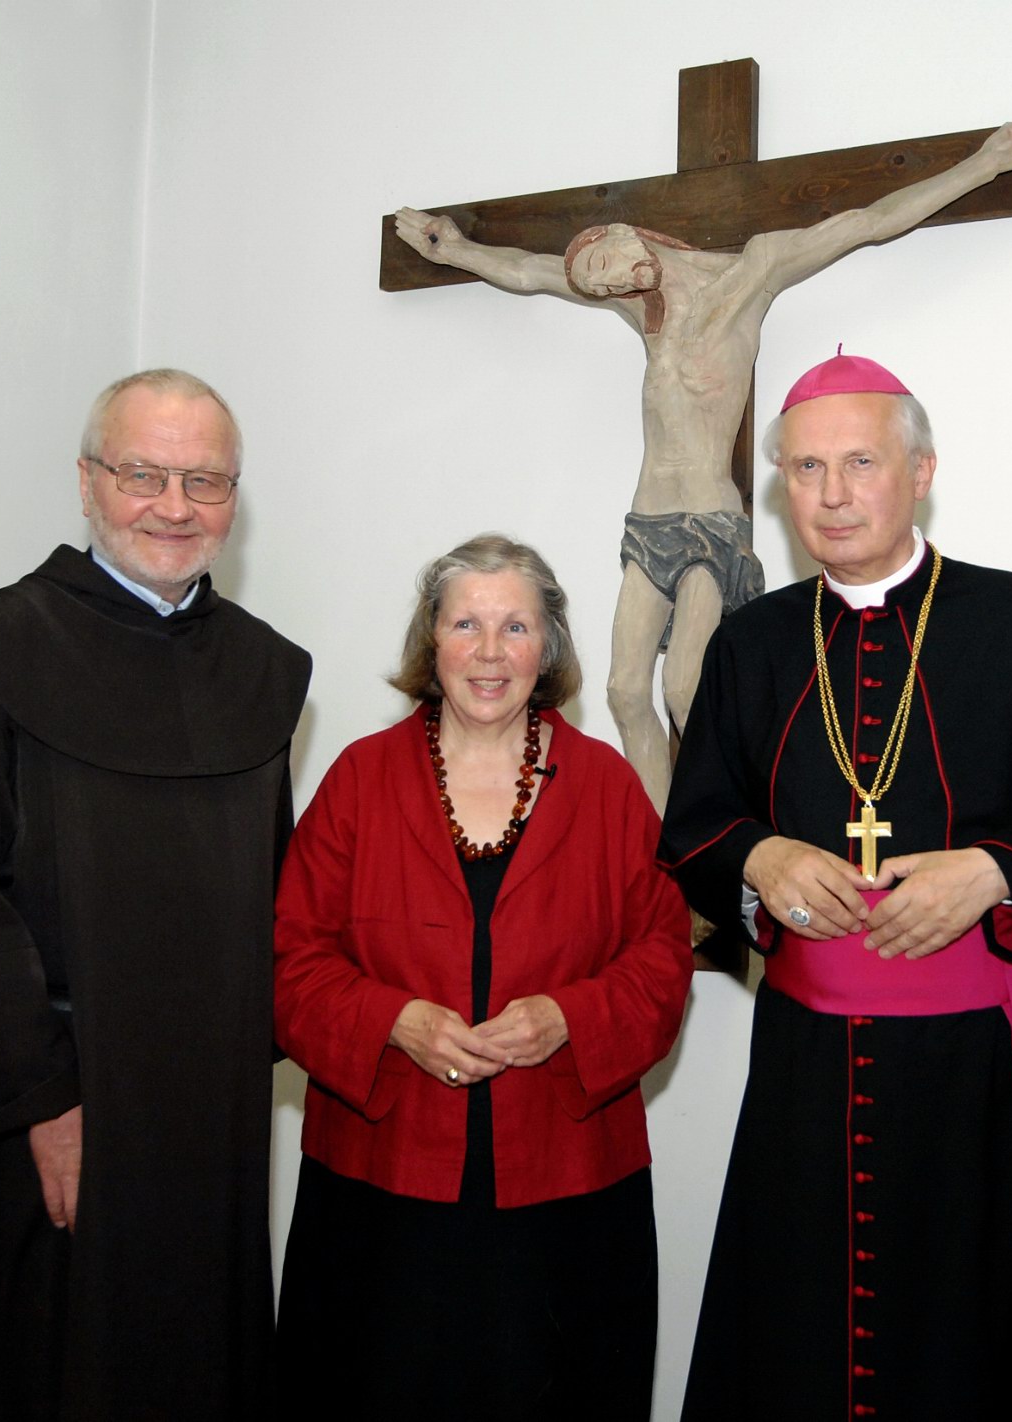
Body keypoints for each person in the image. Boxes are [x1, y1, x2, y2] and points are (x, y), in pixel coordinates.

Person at [659, 352, 1012, 1420]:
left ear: (920, 472)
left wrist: (995, 871)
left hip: (988, 1062)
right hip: (808, 1067)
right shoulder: (752, 644)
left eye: (860, 463)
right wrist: (761, 858)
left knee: (977, 1329)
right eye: (805, 469)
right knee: (799, 1324)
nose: (831, 494)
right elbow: (695, 825)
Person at [394, 102, 1012, 809]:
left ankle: (716, 831)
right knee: (624, 692)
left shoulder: (750, 274)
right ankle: (657, 847)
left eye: (603, 269)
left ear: (634, 238)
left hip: (709, 523)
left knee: (684, 688)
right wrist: (456, 249)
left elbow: (867, 222)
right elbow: (530, 272)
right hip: (648, 522)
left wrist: (987, 162)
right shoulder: (640, 306)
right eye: (597, 285)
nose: (604, 286)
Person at [0, 369, 311, 1419]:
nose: (174, 506)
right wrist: (40, 1103)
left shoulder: (260, 673)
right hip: (43, 1116)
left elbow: (271, 900)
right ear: (86, 482)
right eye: (142, 474)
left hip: (207, 1122)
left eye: (204, 481)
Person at [273, 534, 691, 1420]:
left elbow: (661, 962)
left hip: (568, 1187)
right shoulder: (357, 780)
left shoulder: (609, 787)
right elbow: (290, 962)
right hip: (382, 1183)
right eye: (466, 625)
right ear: (431, 641)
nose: (490, 653)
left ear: (549, 648)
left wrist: (567, 1018)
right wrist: (394, 1021)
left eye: (516, 627)